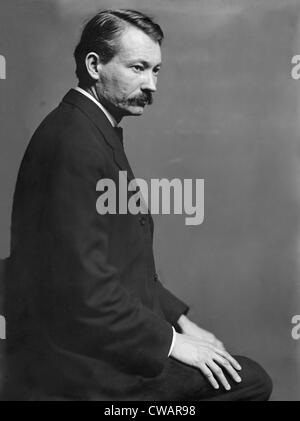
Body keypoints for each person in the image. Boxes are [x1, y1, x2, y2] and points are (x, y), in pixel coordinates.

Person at [4, 9, 272, 401]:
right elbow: (84, 292)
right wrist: (171, 343)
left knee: (235, 371)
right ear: (94, 65)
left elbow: (117, 262)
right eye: (138, 68)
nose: (151, 85)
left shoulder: (90, 130)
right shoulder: (74, 144)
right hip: (84, 368)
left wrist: (179, 320)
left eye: (156, 70)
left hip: (101, 347)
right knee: (250, 382)